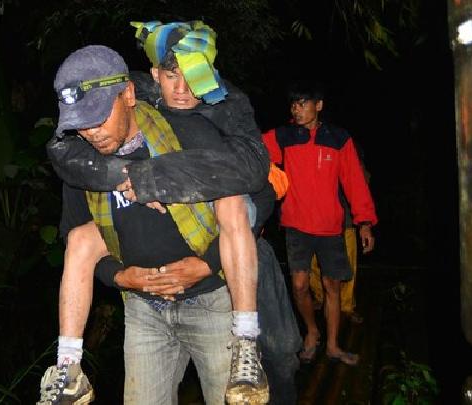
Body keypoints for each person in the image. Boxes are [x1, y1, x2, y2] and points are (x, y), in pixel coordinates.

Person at [37, 39, 269, 404]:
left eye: (99, 117)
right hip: (144, 310)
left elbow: (257, 198)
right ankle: (68, 368)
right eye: (80, 124)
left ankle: (246, 342)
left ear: (128, 94)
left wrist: (207, 265)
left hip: (209, 302)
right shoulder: (83, 160)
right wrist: (117, 275)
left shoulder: (190, 129)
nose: (91, 132)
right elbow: (73, 235)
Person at [262, 81, 377, 366]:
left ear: (319, 105)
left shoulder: (338, 138)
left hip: (330, 227)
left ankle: (334, 346)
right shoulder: (284, 136)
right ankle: (312, 332)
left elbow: (355, 182)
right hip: (296, 226)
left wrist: (364, 223)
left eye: (303, 103)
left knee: (332, 286)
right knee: (300, 285)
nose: (296, 109)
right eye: (293, 104)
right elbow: (253, 153)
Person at [309, 153, 371, 324]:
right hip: (316, 219)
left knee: (348, 264)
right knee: (314, 262)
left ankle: (346, 306)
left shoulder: (347, 147)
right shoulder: (308, 147)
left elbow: (362, 182)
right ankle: (320, 298)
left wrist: (364, 222)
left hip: (345, 219)